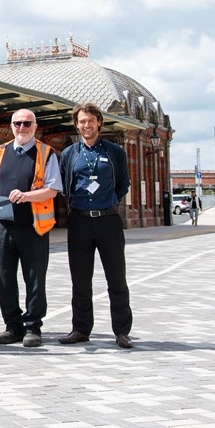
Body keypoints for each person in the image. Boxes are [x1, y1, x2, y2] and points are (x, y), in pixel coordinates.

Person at [58, 102, 133, 349]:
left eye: (90, 120)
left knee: (116, 278)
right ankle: (80, 328)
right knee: (80, 279)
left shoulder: (114, 152)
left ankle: (122, 331)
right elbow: (65, 187)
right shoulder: (70, 154)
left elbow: (123, 184)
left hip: (108, 220)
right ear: (76, 124)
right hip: (79, 221)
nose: (86, 125)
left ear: (99, 122)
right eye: (81, 121)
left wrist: (109, 201)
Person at [0, 109, 62, 348]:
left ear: (35, 126)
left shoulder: (46, 153)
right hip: (3, 226)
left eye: (27, 123)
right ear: (10, 126)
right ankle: (13, 326)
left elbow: (52, 189)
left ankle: (33, 327)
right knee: (6, 278)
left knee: (34, 278)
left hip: (33, 227)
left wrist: (26, 195)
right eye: (17, 123)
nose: (22, 127)